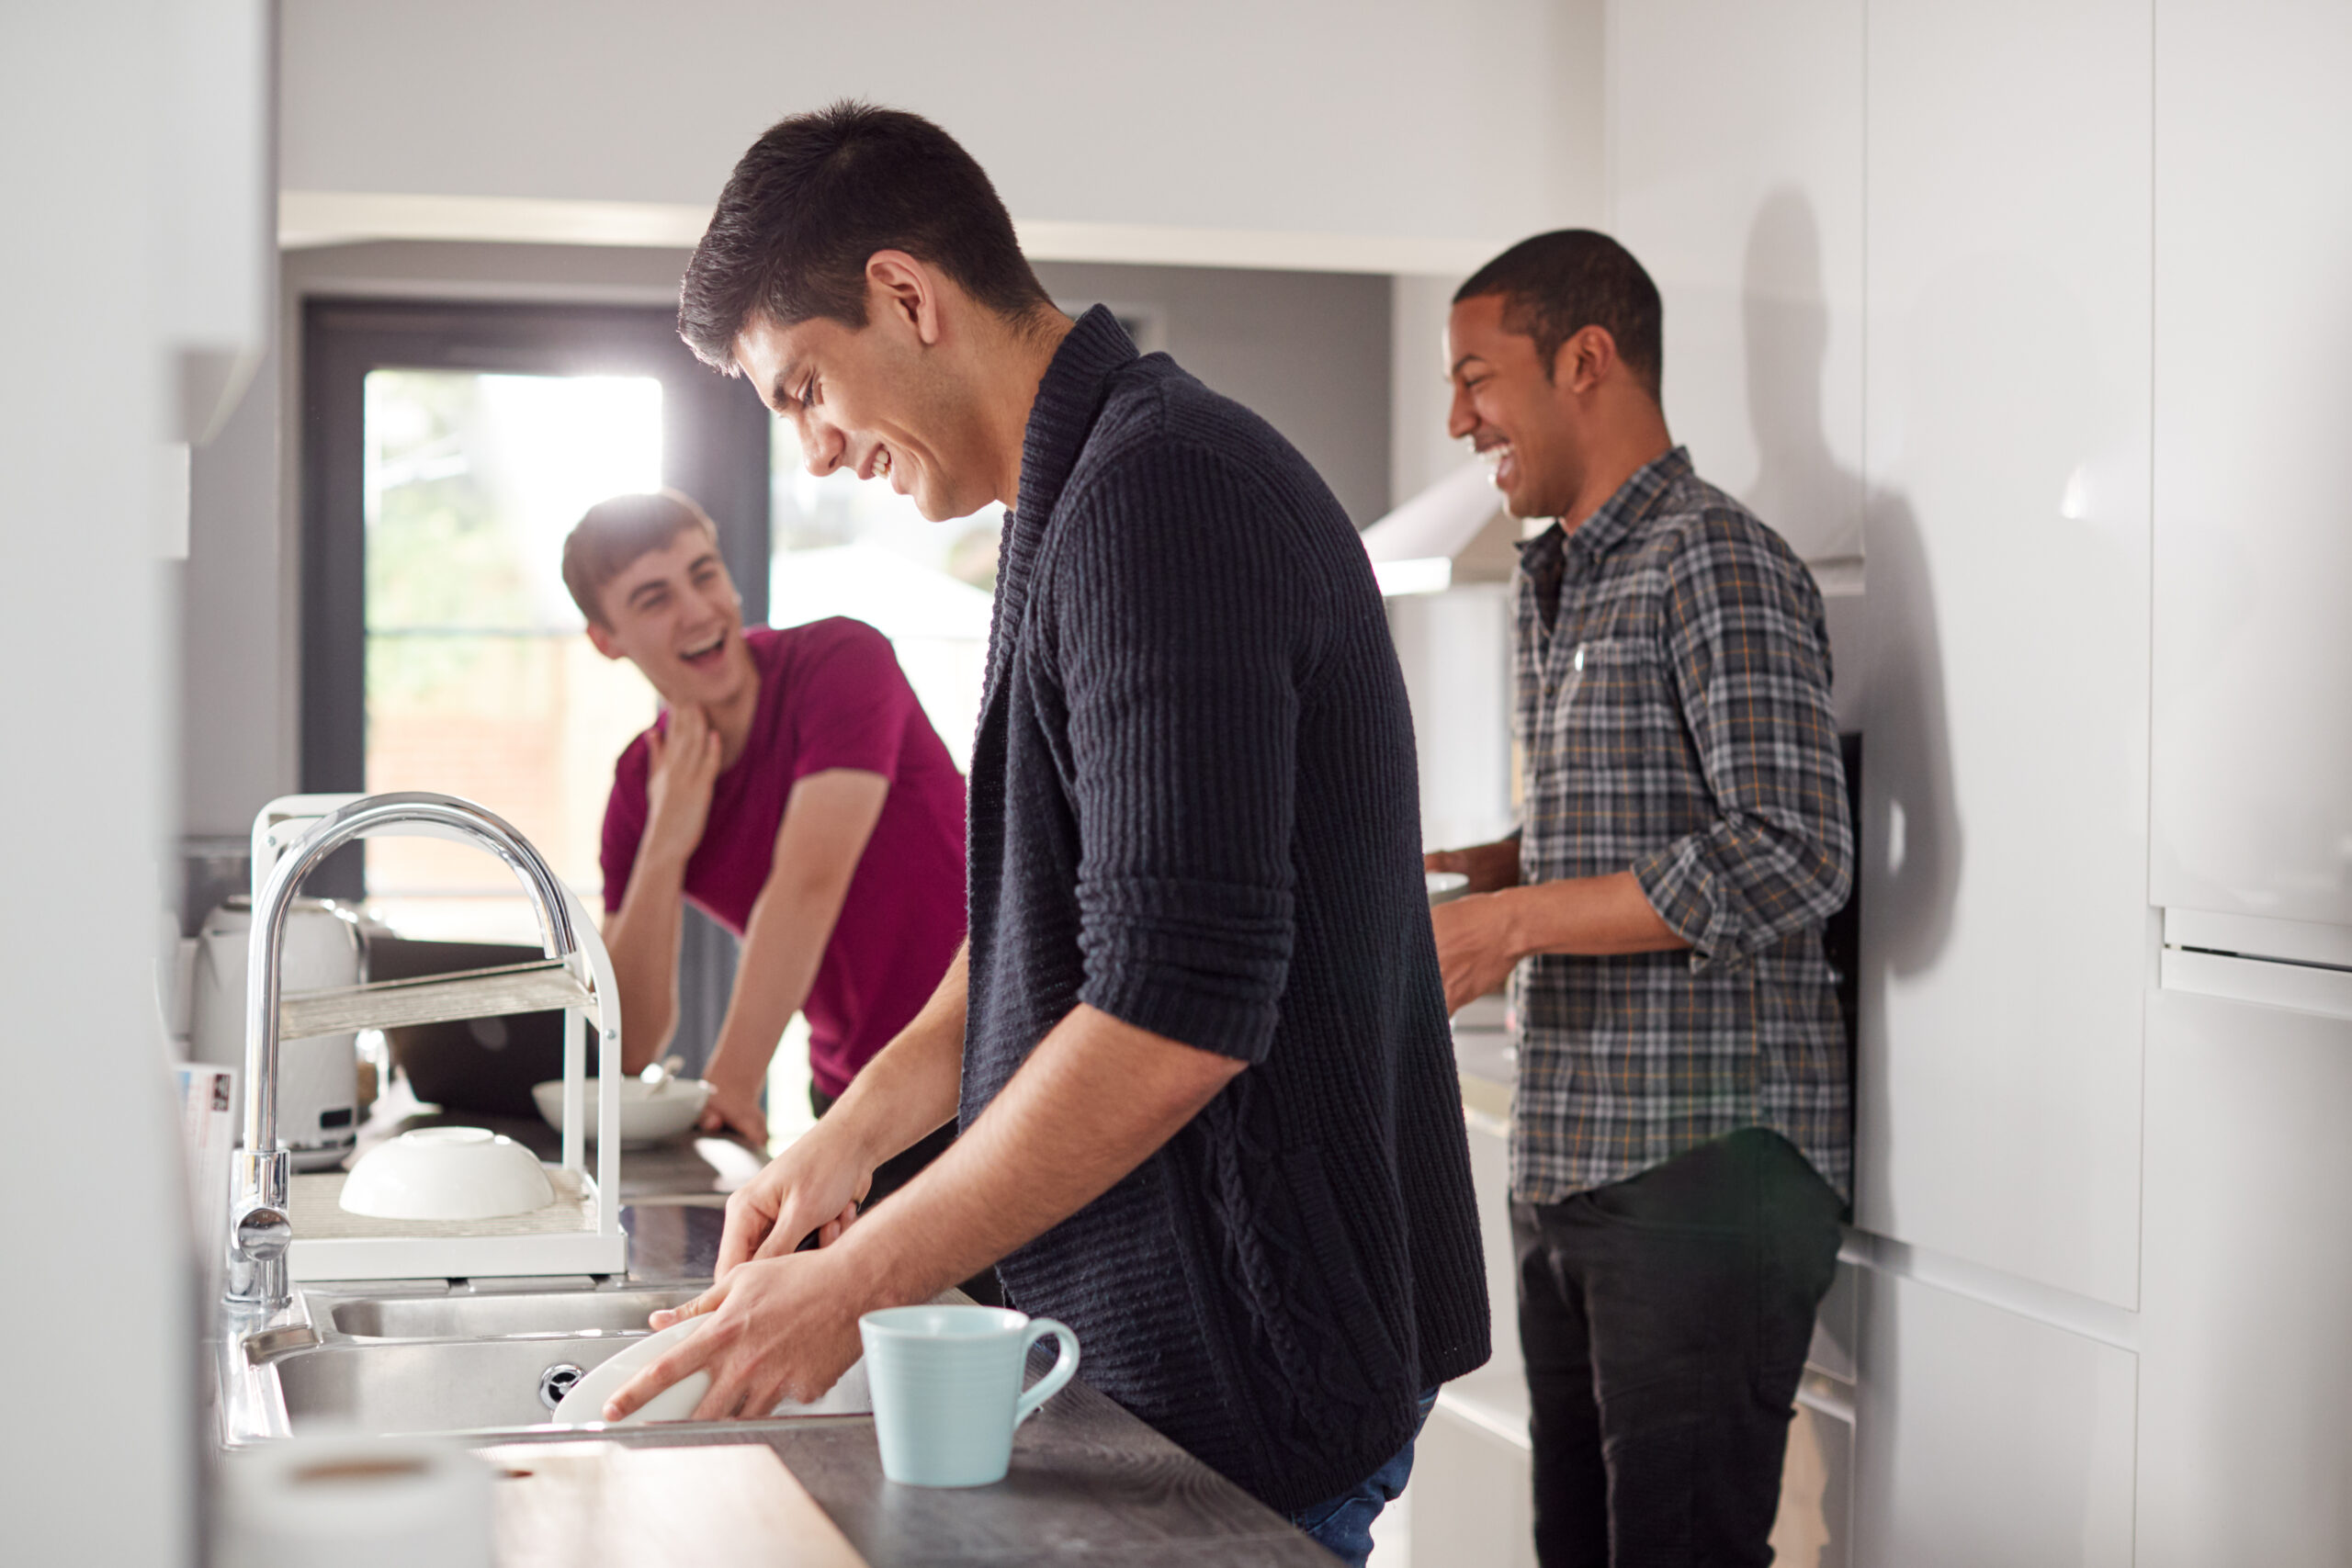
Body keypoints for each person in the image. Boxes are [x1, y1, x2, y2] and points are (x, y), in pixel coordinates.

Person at [601, 102, 1488, 1564]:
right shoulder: (1077, 496)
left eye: (807, 386)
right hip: (1185, 1361)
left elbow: (1172, 1013)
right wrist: (849, 1139)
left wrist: (850, 1285)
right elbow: (1055, 930)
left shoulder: (1162, 497)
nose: (816, 452)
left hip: (1251, 1376)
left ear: (907, 294)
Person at [1424, 230, 1853, 1567]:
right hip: (1577, 1161)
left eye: (1476, 375)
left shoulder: (1713, 558)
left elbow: (1793, 847)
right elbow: (1636, 821)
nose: (1458, 417)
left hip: (1705, 1168)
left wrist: (1509, 923)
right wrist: (1474, 870)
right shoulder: (1565, 576)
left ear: (1586, 359)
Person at [568, 491, 968, 1218]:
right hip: (853, 1095)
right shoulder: (640, 785)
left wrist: (731, 1084)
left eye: (705, 573)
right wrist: (666, 841)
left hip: (986, 1061)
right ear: (607, 638)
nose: (697, 610)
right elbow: (630, 1042)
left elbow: (807, 885)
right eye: (655, 598)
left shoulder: (842, 661)